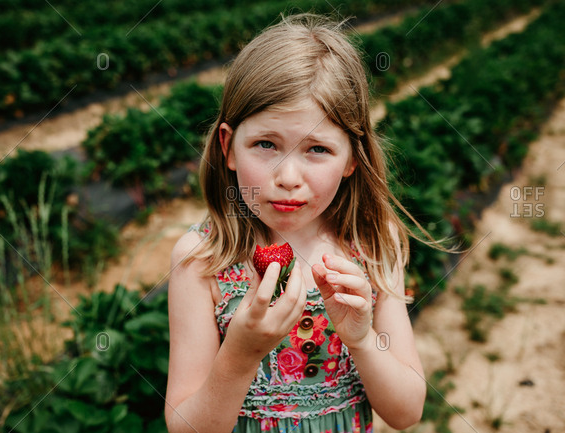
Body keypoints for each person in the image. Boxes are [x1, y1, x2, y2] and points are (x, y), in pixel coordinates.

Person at [165, 14, 427, 433]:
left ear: (352, 160)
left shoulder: (374, 244)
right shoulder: (201, 261)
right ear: (228, 147)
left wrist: (361, 340)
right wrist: (240, 354)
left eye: (317, 149)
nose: (288, 177)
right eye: (265, 144)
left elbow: (406, 412)